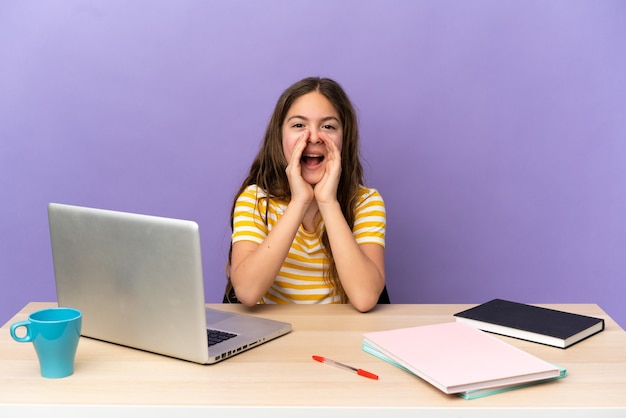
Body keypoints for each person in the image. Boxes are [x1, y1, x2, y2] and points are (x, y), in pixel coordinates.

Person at [224, 77, 386, 312]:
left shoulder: (366, 203)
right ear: (280, 137)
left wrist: (327, 202)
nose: (312, 137)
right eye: (299, 125)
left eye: (328, 126)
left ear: (344, 138)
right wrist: (300, 202)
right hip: (274, 338)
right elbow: (247, 293)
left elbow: (365, 298)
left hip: (340, 339)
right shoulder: (254, 200)